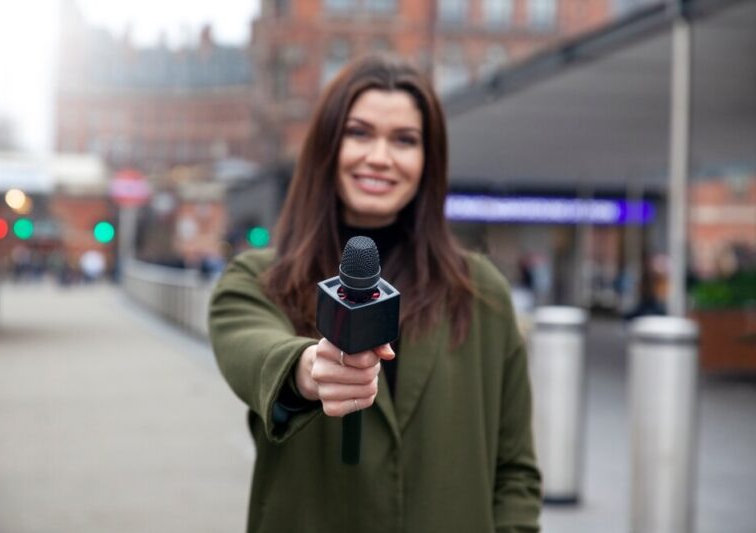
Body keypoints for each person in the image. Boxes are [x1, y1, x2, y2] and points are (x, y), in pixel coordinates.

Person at [208, 55, 541, 533]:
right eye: (359, 133)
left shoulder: (480, 292)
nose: (380, 157)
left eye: (404, 140)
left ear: (429, 160)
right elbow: (252, 349)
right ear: (327, 145)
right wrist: (307, 372)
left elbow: (515, 470)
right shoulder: (259, 280)